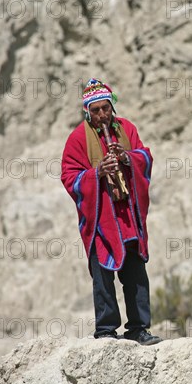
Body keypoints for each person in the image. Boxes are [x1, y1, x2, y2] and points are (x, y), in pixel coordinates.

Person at [61, 78, 161, 345]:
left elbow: (146, 157)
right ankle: (106, 331)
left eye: (106, 108)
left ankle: (139, 328)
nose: (102, 115)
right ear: (87, 112)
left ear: (112, 107)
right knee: (103, 277)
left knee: (136, 275)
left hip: (128, 217)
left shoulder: (126, 129)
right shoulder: (78, 138)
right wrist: (97, 174)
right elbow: (70, 177)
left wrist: (128, 157)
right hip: (101, 220)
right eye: (96, 111)